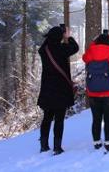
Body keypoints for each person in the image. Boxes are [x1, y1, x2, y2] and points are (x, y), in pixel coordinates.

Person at [37, 24, 79, 155]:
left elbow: (46, 44)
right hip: (60, 90)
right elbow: (75, 48)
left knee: (47, 118)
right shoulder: (62, 49)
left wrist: (53, 35)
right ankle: (57, 146)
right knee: (59, 120)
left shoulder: (44, 50)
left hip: (47, 90)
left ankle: (44, 146)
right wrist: (68, 37)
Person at [82, 30, 109, 152]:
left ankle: (96, 143)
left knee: (96, 119)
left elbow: (84, 57)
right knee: (108, 119)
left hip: (93, 92)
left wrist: (94, 43)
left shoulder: (90, 53)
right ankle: (108, 144)